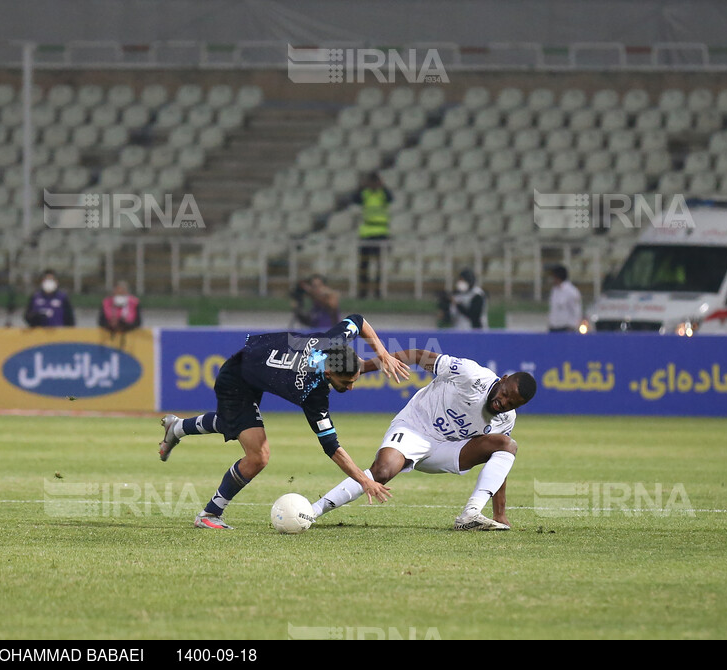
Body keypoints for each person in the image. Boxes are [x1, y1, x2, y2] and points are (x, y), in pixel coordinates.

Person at [158, 314, 411, 529]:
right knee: (258, 455)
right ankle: (210, 514)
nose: (352, 388)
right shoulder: (311, 391)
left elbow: (358, 320)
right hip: (236, 379)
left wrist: (384, 355)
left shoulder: (332, 344)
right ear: (329, 372)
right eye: (347, 383)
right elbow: (331, 447)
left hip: (251, 364)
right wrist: (364, 480)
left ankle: (177, 428)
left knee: (231, 423)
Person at [311, 349, 537, 531]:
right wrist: (365, 367)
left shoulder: (507, 418)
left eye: (512, 403)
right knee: (382, 471)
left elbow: (500, 463)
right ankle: (312, 512)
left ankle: (471, 514)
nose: (503, 403)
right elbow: (418, 356)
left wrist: (500, 513)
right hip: (415, 427)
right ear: (503, 379)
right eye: (505, 394)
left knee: (507, 445)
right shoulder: (471, 375)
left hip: (447, 449)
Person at [352, 172, 393, 299]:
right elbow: (355, 198)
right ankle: (362, 291)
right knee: (364, 264)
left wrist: (383, 185)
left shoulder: (383, 193)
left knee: (379, 265)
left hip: (381, 232)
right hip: (367, 232)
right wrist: (362, 186)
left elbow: (391, 197)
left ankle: (378, 292)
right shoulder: (366, 193)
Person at [547, 265, 582, 332]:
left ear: (557, 277)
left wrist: (573, 326)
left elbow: (576, 311)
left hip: (566, 329)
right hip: (553, 328)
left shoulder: (571, 291)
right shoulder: (555, 290)